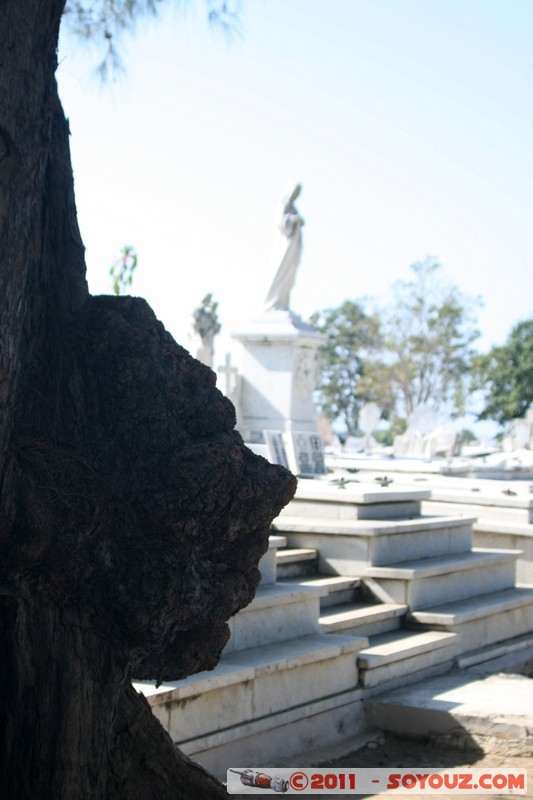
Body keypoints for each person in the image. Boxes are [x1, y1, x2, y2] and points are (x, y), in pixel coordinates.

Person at [263, 182, 304, 312]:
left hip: (292, 247)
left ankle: (282, 303)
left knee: (289, 275)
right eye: (295, 192)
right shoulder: (283, 205)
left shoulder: (294, 208)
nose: (296, 195)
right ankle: (273, 302)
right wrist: (294, 220)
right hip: (284, 246)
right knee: (280, 271)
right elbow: (282, 225)